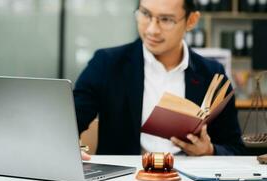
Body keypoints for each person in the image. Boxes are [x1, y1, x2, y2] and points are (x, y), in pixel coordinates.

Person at [75, 0, 245, 160]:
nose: (152, 29)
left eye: (166, 19)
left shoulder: (212, 74)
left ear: (191, 20)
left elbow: (235, 149)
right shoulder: (108, 64)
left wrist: (209, 151)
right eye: (145, 14)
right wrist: (68, 149)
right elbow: (70, 122)